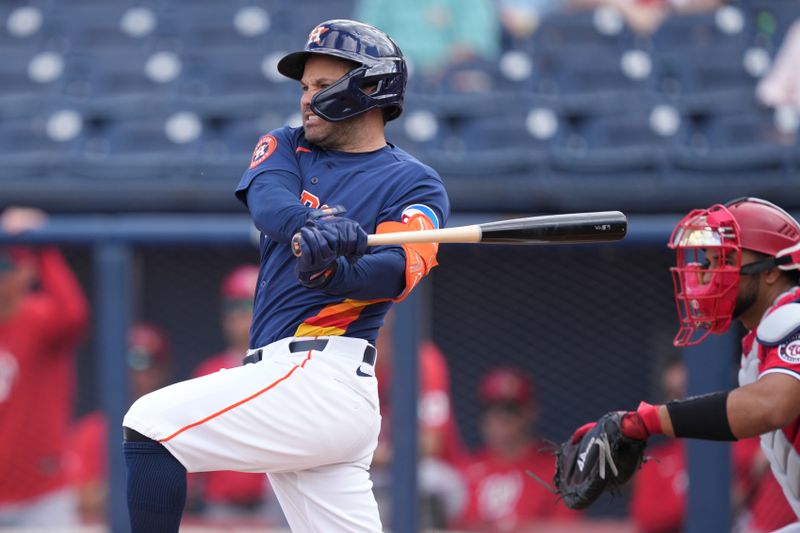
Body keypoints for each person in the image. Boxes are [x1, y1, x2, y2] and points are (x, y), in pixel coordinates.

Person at [121, 18, 450, 532]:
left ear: (368, 86)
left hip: (324, 377)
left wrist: (334, 269)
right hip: (291, 387)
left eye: (321, 86)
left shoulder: (416, 185)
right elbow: (270, 203)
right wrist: (311, 229)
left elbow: (393, 273)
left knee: (150, 425)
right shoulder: (287, 144)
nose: (306, 99)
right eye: (304, 87)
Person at [567, 197, 800, 530]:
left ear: (772, 271)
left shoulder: (792, 318)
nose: (707, 274)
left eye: (725, 259)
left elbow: (771, 405)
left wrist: (649, 420)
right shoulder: (763, 337)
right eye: (707, 261)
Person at [0, 207, 90, 526]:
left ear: (27, 271)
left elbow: (74, 314)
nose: (3, 275)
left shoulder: (40, 319)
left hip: (41, 496)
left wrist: (44, 247)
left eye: (8, 265)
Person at [187, 264, 276, 525]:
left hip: (277, 502)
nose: (242, 316)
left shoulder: (288, 366)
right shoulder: (209, 372)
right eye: (234, 307)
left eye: (249, 306)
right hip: (221, 508)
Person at [67, 322, 172, 524]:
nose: (137, 375)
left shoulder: (177, 428)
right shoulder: (92, 429)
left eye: (149, 364)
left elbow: (178, 494)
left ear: (163, 370)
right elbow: (81, 498)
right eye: (130, 363)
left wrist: (108, 489)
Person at [371, 309, 467, 528]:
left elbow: (431, 443)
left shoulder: (424, 361)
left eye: (379, 332)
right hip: (375, 470)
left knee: (427, 480)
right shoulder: (359, 363)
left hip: (432, 473)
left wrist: (374, 454)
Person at [454, 367, 580, 531]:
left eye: (510, 409)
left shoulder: (557, 472)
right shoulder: (464, 473)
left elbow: (566, 528)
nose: (501, 418)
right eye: (492, 408)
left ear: (530, 412)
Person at [355, 0, 501, 76]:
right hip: (393, 74)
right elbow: (365, 40)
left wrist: (440, 68)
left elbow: (474, 44)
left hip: (448, 79)